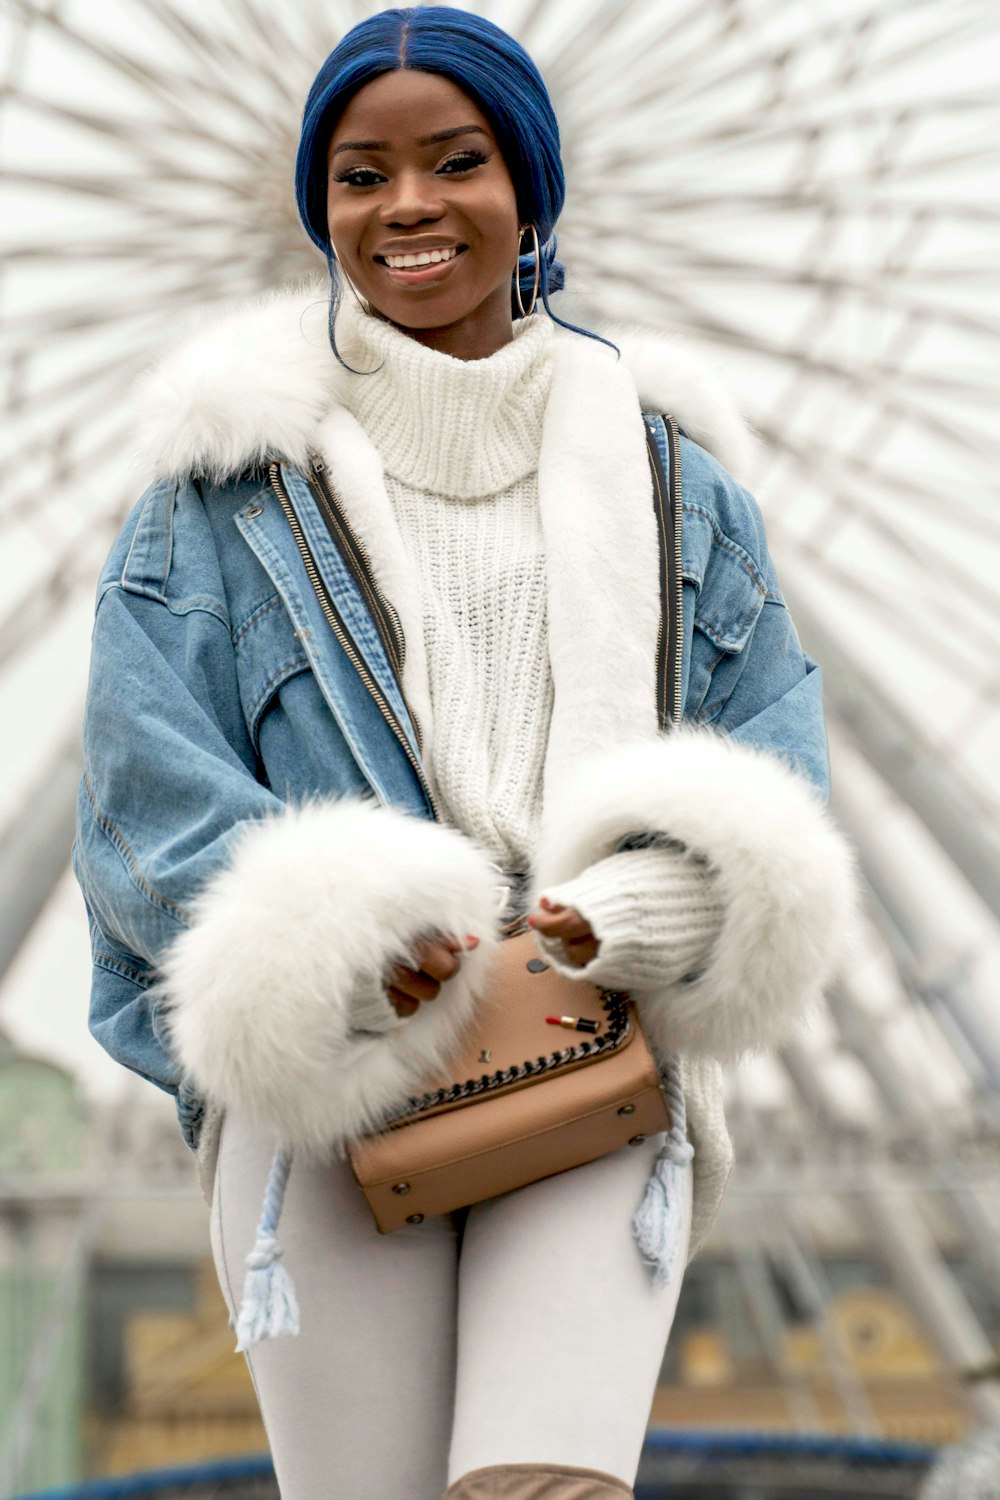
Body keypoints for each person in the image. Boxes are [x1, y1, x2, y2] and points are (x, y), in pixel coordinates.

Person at [72, 7, 858, 1498]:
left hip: (586, 1032)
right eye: (361, 176)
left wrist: (638, 911)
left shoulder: (680, 488)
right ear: (321, 210)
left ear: (531, 189)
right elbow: (142, 801)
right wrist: (346, 947)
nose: (409, 206)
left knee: (543, 1486)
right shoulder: (216, 501)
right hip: (335, 1069)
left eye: (457, 161)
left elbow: (774, 771)